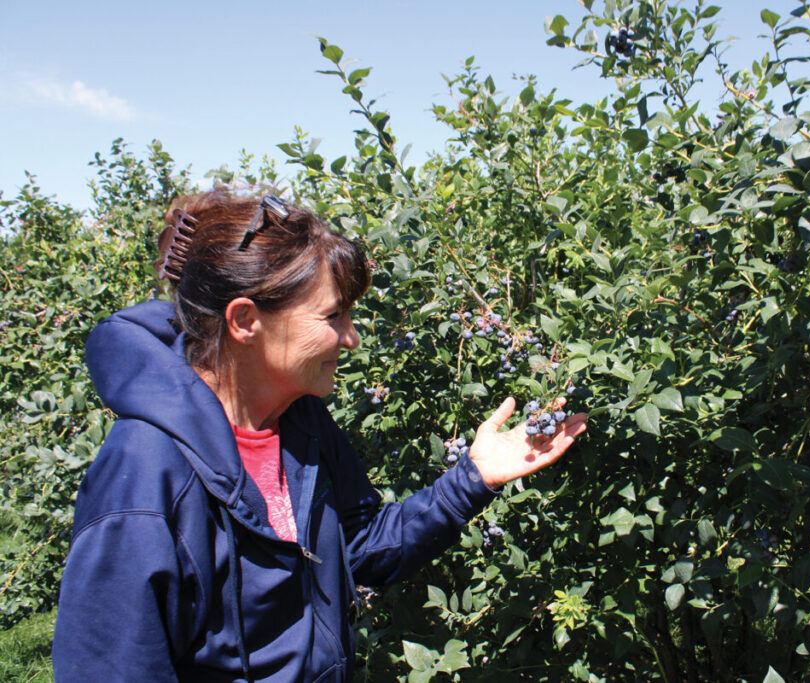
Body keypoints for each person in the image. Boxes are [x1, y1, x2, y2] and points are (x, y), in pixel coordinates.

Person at [52, 192, 587, 682]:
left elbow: (359, 550)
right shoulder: (145, 475)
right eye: (333, 316)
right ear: (244, 321)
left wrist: (474, 478)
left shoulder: (301, 424)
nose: (351, 339)